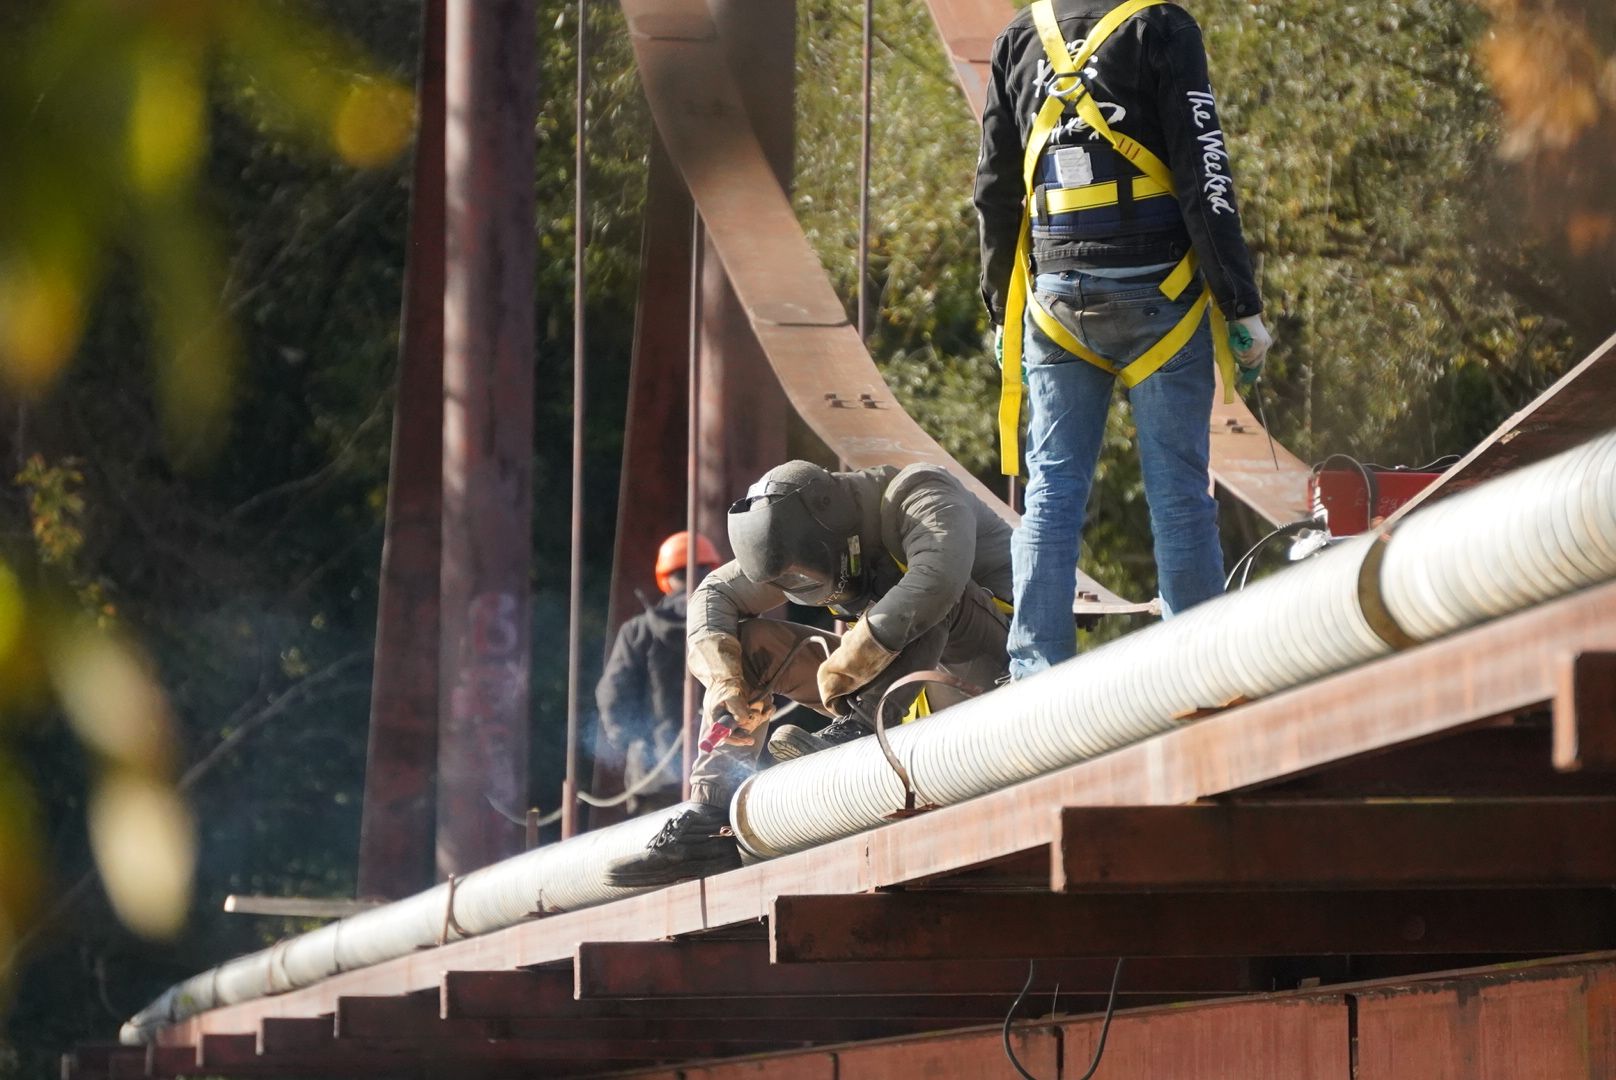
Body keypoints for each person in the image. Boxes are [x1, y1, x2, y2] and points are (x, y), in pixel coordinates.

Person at [975, 0, 1274, 679]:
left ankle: (1035, 674)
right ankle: (1195, 668)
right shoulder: (1160, 27)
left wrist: (1000, 311)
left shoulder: (1019, 39)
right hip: (1160, 295)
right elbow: (1205, 174)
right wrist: (1241, 306)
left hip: (1056, 303)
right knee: (1179, 495)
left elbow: (993, 191)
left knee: (1051, 492)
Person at [604, 460, 1012, 886]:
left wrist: (851, 661)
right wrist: (725, 683)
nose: (807, 586)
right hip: (900, 690)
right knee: (752, 647)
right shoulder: (805, 536)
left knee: (929, 591)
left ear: (831, 527)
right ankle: (707, 824)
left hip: (987, 673)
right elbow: (714, 594)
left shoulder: (919, 494)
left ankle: (859, 727)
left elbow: (939, 579)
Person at [594, 531, 721, 816]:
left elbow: (612, 694)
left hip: (655, 774)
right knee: (724, 839)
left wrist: (627, 739)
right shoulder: (727, 623)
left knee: (661, 843)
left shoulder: (638, 631)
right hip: (721, 768)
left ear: (665, 577)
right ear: (711, 570)